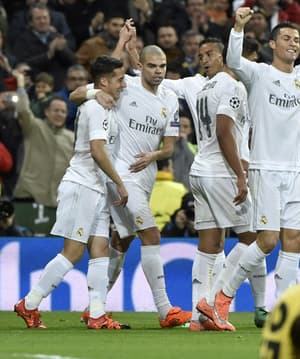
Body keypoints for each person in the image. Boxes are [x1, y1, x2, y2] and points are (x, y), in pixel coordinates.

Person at [204, 7, 300, 331]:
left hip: (295, 172)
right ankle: (219, 298)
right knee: (267, 240)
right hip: (265, 168)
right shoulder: (259, 74)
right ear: (273, 44)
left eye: (297, 39)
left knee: (295, 239)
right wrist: (238, 27)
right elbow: (234, 60)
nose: (293, 43)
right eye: (287, 38)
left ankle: (285, 310)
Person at [72, 22, 191, 328]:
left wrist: (155, 155)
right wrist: (121, 45)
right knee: (151, 234)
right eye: (152, 66)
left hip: (146, 174)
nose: (158, 71)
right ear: (142, 65)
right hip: (119, 175)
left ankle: (94, 307)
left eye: (163, 66)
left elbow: (168, 147)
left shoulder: (169, 100)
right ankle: (165, 310)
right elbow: (94, 82)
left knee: (122, 240)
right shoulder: (126, 86)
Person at [160, 36, 269, 331]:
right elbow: (224, 132)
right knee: (254, 238)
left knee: (210, 244)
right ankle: (212, 302)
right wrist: (240, 173)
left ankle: (198, 319)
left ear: (220, 57)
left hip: (201, 171)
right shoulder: (231, 87)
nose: (203, 59)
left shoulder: (205, 88)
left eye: (208, 53)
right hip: (221, 173)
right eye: (201, 54)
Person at [14, 55, 129, 330]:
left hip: (97, 189)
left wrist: (122, 46)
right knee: (74, 251)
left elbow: (90, 83)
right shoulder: (97, 107)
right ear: (104, 82)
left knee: (101, 249)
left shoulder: (105, 102)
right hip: (82, 185)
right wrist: (120, 183)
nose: (124, 84)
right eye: (120, 79)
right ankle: (29, 304)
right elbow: (97, 151)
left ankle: (98, 314)